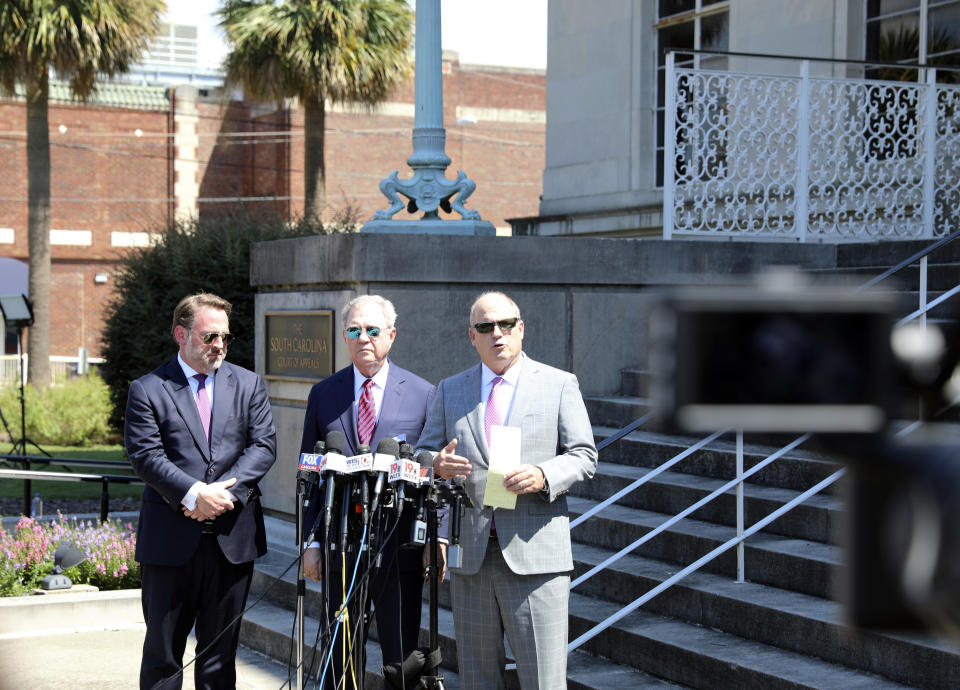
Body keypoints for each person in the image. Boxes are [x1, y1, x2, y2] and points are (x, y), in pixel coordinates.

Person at [416, 291, 598, 689]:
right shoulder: (451, 390)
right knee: (478, 679)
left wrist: (543, 474)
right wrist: (436, 464)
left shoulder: (558, 384)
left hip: (535, 557)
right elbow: (422, 453)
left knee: (543, 681)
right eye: (485, 327)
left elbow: (585, 456)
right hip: (473, 560)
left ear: (521, 330)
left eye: (505, 325)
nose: (496, 334)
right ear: (472, 336)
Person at [125, 293, 277, 690]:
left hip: (232, 542)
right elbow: (146, 455)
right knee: (163, 657)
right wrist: (194, 494)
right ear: (181, 334)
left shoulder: (247, 383)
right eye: (211, 337)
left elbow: (263, 446)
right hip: (170, 545)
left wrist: (222, 496)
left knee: (219, 660)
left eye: (226, 337)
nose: (220, 346)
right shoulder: (148, 389)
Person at [299, 294, 438, 688]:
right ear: (344, 337)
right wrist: (311, 541)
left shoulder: (422, 393)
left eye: (373, 330)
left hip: (398, 544)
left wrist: (434, 537)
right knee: (339, 651)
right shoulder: (324, 393)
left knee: (401, 657)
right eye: (355, 330)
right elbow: (310, 472)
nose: (364, 338)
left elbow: (432, 476)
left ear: (391, 335)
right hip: (339, 541)